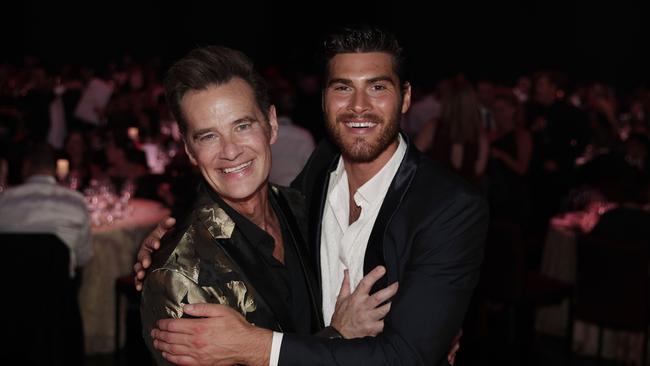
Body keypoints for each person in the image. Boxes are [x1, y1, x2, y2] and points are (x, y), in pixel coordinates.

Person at [135, 27, 487, 365]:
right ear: (324, 99)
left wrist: (257, 347)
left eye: (377, 87)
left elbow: (406, 356)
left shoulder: (450, 208)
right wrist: (171, 246)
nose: (359, 106)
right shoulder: (320, 170)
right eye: (342, 88)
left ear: (406, 97)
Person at [139, 46, 396, 365]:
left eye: (242, 126)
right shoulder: (180, 276)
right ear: (190, 150)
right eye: (208, 136)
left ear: (271, 124)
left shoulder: (306, 209)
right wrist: (337, 336)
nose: (230, 151)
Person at [0, 142, 92, 278]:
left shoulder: (4, 200)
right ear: (55, 169)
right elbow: (83, 258)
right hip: (59, 294)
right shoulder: (77, 202)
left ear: (25, 167)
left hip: (8, 292)